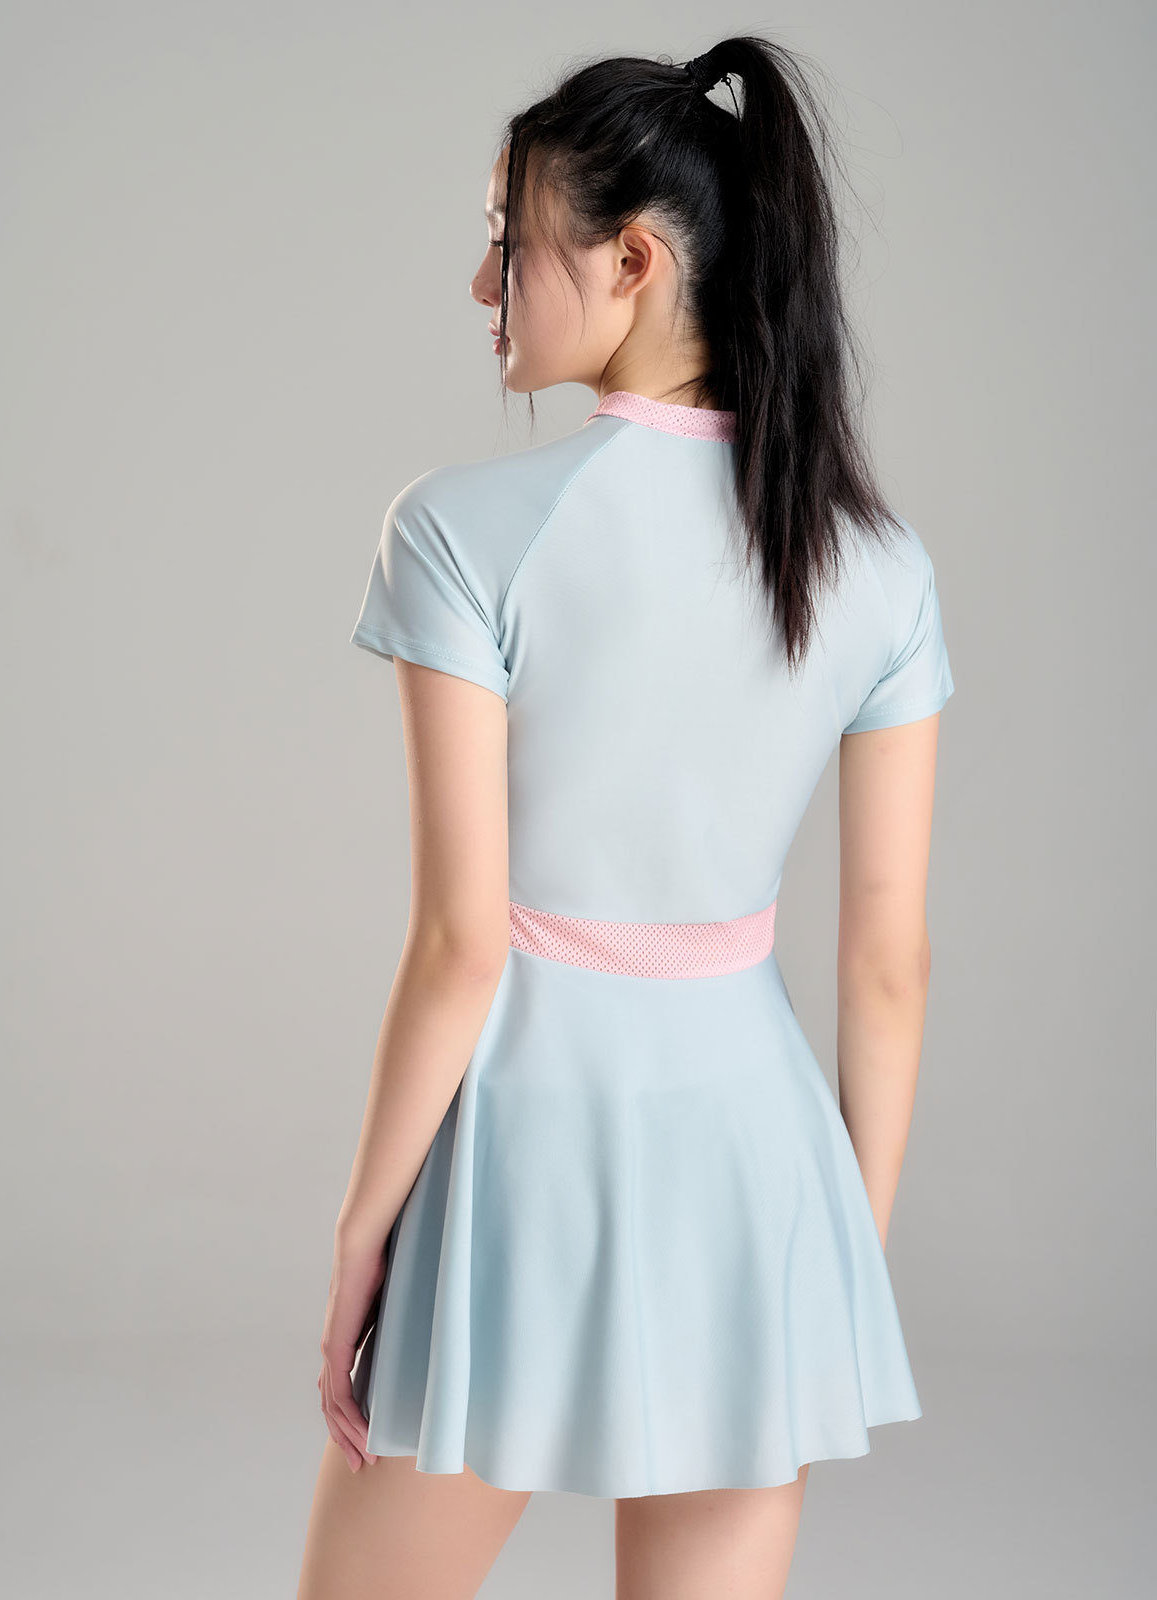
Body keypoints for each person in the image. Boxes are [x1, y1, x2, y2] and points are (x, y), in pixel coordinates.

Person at [297, 33, 955, 1600]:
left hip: (521, 1159)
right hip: (757, 1170)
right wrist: (837, 1255)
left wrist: (360, 1238)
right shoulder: (879, 569)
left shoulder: (461, 532)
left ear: (636, 261)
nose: (485, 286)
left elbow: (462, 944)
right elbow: (887, 965)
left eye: (508, 243)